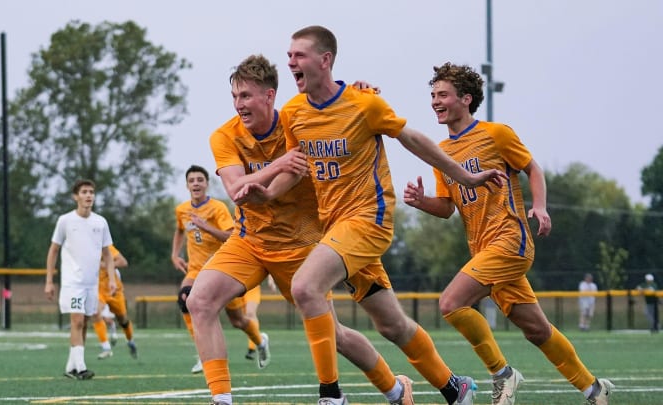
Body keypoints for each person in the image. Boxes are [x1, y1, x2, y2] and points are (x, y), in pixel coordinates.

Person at [232, 26, 507, 405]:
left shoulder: (365, 104)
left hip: (368, 221)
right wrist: (266, 194)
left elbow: (412, 139)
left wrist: (464, 175)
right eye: (289, 55)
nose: (291, 62)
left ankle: (331, 396)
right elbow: (296, 168)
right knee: (391, 325)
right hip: (335, 231)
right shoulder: (295, 113)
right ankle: (453, 388)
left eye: (299, 55)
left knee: (304, 287)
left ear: (325, 60)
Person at [402, 62, 614, 404]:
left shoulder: (495, 134)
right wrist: (420, 201)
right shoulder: (440, 153)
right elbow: (446, 208)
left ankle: (503, 375)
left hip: (510, 242)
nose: (435, 101)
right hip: (483, 251)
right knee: (537, 330)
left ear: (466, 99)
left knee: (451, 303)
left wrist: (540, 207)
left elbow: (532, 168)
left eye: (442, 94)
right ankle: (594, 389)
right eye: (432, 95)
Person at [171, 165, 270, 374]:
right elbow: (179, 230)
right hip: (195, 269)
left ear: (207, 184)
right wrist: (175, 254)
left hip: (220, 269)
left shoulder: (218, 208)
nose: (196, 183)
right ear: (187, 185)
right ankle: (202, 353)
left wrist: (206, 226)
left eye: (200, 179)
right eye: (192, 180)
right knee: (184, 299)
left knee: (238, 321)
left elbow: (231, 236)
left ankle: (260, 341)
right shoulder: (182, 210)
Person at [44, 179, 116, 380]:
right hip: (72, 283)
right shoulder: (65, 221)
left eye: (91, 192)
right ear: (76, 196)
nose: (89, 195)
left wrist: (111, 279)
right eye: (84, 192)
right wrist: (49, 280)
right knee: (76, 320)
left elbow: (108, 254)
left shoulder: (100, 222)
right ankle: (81, 367)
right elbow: (53, 251)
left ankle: (71, 366)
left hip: (91, 284)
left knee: (84, 322)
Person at [93, 245, 138, 359]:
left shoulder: (105, 247)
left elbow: (123, 262)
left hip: (114, 290)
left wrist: (105, 265)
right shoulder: (85, 248)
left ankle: (130, 341)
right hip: (99, 290)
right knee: (95, 313)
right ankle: (106, 348)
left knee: (123, 320)